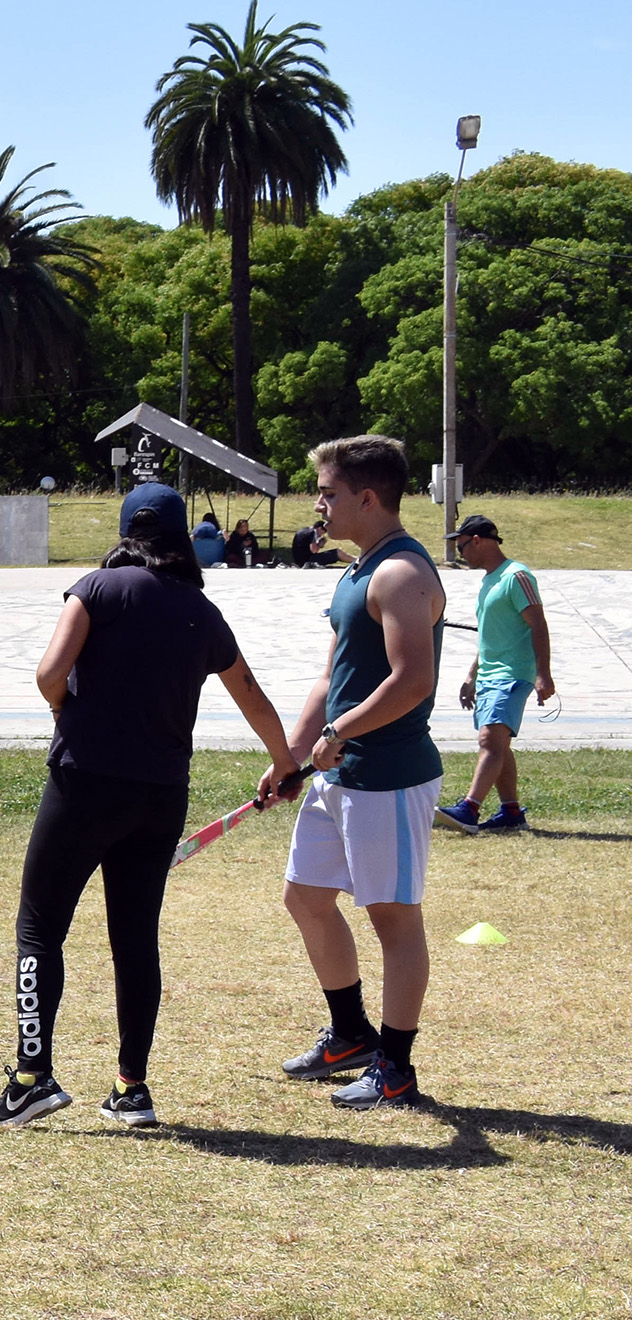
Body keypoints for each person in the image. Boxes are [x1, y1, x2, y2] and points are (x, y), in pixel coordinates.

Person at [0, 484, 302, 1129]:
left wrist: (65, 710)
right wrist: (284, 764)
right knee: (135, 937)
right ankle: (132, 1087)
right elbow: (253, 696)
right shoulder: (200, 611)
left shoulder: (96, 589)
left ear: (125, 529)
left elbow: (49, 675)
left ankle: (31, 1077)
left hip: (85, 783)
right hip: (160, 795)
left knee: (40, 926)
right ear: (182, 535)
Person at [279, 434, 446, 1111]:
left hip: (389, 776)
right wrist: (289, 759)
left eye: (327, 493)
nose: (318, 505)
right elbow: (331, 677)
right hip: (338, 774)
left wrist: (339, 734)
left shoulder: (401, 574)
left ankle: (396, 1070)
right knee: (307, 897)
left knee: (393, 919)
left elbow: (412, 682)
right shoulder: (356, 572)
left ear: (367, 498)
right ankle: (351, 1035)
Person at [439, 513, 555, 834]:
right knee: (500, 746)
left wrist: (543, 674)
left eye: (461, 547)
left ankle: (469, 809)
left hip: (514, 674)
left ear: (477, 541)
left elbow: (539, 625)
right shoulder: (489, 581)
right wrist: (471, 675)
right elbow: (489, 635)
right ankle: (511, 813)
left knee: (490, 739)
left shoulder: (516, 577)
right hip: (490, 674)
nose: (460, 554)